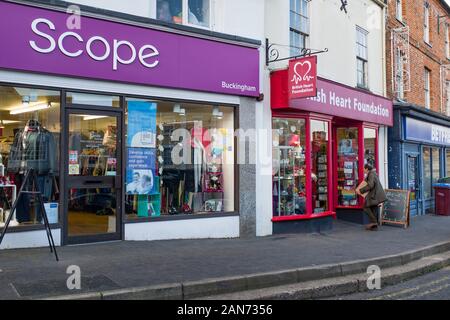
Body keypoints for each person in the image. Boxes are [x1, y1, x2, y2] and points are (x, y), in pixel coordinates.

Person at [357, 164, 387, 231]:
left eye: (364, 169)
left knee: (365, 207)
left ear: (367, 169)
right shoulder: (373, 173)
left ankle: (374, 223)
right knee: (373, 209)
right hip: (375, 195)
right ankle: (374, 227)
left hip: (374, 195)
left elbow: (370, 185)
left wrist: (361, 190)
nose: (363, 170)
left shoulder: (371, 174)